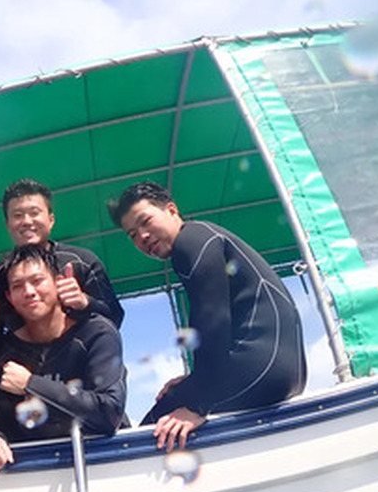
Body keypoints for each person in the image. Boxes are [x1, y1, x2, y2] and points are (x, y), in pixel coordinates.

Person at [108, 180, 307, 452]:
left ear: (172, 210)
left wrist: (197, 403)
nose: (142, 236)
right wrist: (194, 380)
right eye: (132, 234)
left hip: (263, 368)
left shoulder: (192, 240)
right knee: (177, 394)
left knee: (149, 431)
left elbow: (211, 319)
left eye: (146, 221)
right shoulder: (206, 237)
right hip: (278, 368)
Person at [0, 243, 127, 474]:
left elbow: (109, 412)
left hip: (105, 463)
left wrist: (30, 384)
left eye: (37, 281)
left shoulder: (97, 333)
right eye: (18, 286)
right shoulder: (6, 351)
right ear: (10, 297)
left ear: (58, 283)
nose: (29, 291)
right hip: (36, 469)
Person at [0, 178, 124, 337]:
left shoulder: (83, 262)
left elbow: (114, 317)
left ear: (51, 220)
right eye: (17, 215)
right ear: (7, 225)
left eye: (34, 213)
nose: (26, 221)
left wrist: (85, 302)